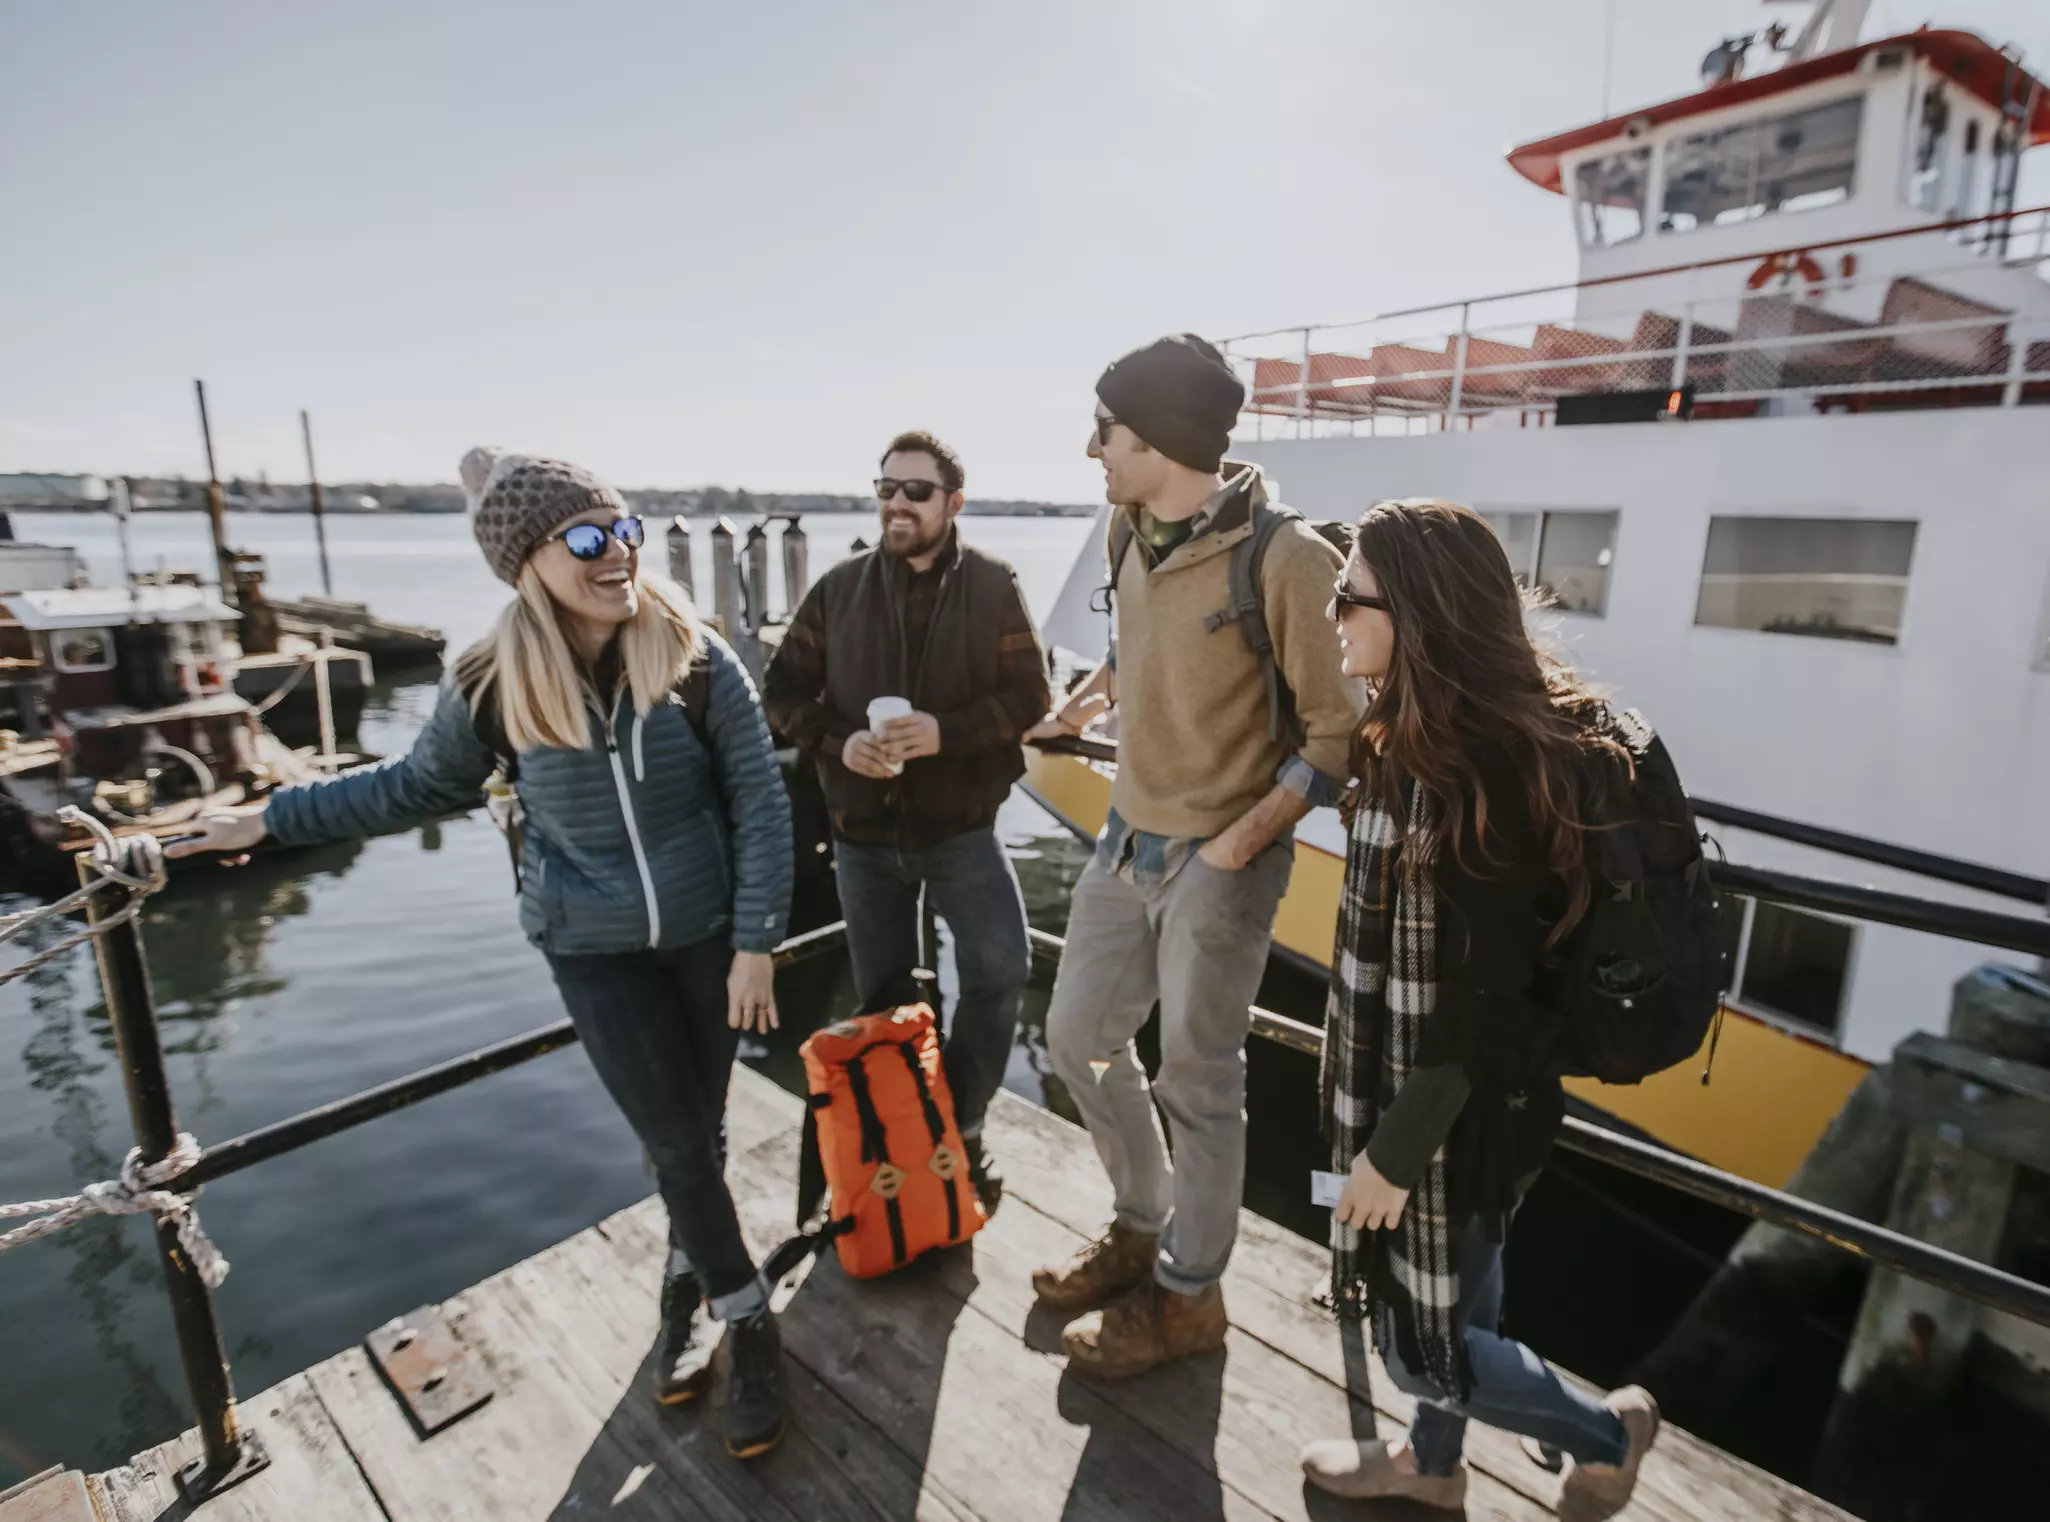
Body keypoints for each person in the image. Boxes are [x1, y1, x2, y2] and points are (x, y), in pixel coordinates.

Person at [168, 450, 796, 1461]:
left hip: (707, 940)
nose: (618, 552)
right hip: (592, 952)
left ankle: (687, 1283)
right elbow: (406, 789)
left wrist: (757, 940)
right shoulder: (494, 678)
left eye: (624, 528)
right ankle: (747, 1315)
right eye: (587, 538)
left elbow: (762, 801)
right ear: (526, 562)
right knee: (678, 1144)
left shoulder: (690, 651)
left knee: (699, 1135)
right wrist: (267, 819)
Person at [1299, 498, 1660, 1519]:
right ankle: (1432, 1465)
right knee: (1470, 1294)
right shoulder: (1405, 738)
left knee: (1422, 1349)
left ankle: (1608, 1433)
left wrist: (1390, 1152)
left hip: (1472, 1111)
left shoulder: (1487, 766)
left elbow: (1486, 995)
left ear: (1416, 613)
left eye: (1348, 595)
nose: (1333, 613)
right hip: (1445, 1097)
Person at [1024, 334, 1364, 1379]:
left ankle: (1188, 1295)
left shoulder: (1290, 556)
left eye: (1109, 433)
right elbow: (1134, 652)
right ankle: (1138, 1223)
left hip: (1220, 863)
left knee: (1199, 1080)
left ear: (1164, 440)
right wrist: (1069, 710)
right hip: (1124, 841)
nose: (1093, 450)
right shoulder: (1129, 528)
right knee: (1075, 1035)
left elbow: (1335, 733)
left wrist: (1239, 843)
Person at [762, 430, 1048, 1212]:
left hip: (959, 830)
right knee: (885, 994)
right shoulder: (839, 587)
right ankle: (900, 1136)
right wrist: (839, 740)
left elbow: (1031, 699)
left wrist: (944, 733)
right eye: (886, 487)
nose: (896, 502)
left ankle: (962, 1124)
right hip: (859, 837)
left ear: (953, 502)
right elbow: (781, 692)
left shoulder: (993, 586)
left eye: (915, 490)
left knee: (998, 973)